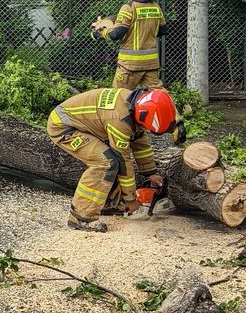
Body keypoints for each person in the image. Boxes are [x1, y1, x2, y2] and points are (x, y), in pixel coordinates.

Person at [46, 86, 180, 232]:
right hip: (63, 127)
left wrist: (150, 173)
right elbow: (123, 160)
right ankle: (81, 216)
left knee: (111, 159)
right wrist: (131, 199)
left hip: (85, 126)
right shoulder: (120, 119)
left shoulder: (134, 104)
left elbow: (140, 141)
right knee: (106, 162)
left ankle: (108, 204)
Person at [92, 0, 167, 89]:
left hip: (130, 65)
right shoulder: (156, 7)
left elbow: (116, 34)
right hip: (151, 63)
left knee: (119, 95)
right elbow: (163, 30)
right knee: (156, 94)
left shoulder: (129, 7)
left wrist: (100, 33)